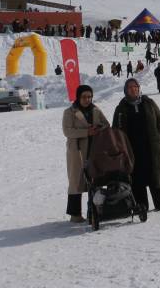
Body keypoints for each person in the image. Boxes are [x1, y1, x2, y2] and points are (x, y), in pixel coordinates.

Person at [112, 78, 160, 211]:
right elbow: (116, 129)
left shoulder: (148, 102)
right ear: (126, 90)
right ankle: (141, 205)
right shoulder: (121, 108)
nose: (134, 89)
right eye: (130, 87)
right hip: (132, 149)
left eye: (136, 87)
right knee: (137, 177)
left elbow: (159, 118)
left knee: (155, 174)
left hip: (151, 146)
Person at [62, 84, 109, 222]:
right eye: (84, 97)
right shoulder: (69, 112)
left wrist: (98, 128)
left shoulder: (95, 110)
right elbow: (67, 131)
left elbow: (106, 124)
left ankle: (94, 211)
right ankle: (75, 214)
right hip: (77, 151)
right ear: (78, 97)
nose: (87, 99)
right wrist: (86, 132)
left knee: (95, 181)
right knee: (76, 182)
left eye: (89, 97)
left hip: (94, 149)